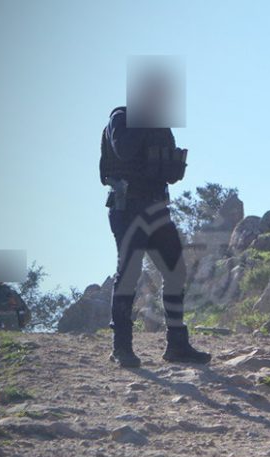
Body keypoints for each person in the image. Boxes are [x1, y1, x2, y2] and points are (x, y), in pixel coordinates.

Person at [99, 70, 210, 368]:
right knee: (129, 273)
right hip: (127, 207)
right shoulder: (120, 118)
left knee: (175, 271)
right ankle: (121, 346)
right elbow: (123, 150)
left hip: (158, 208)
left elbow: (165, 165)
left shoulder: (161, 126)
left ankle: (177, 345)